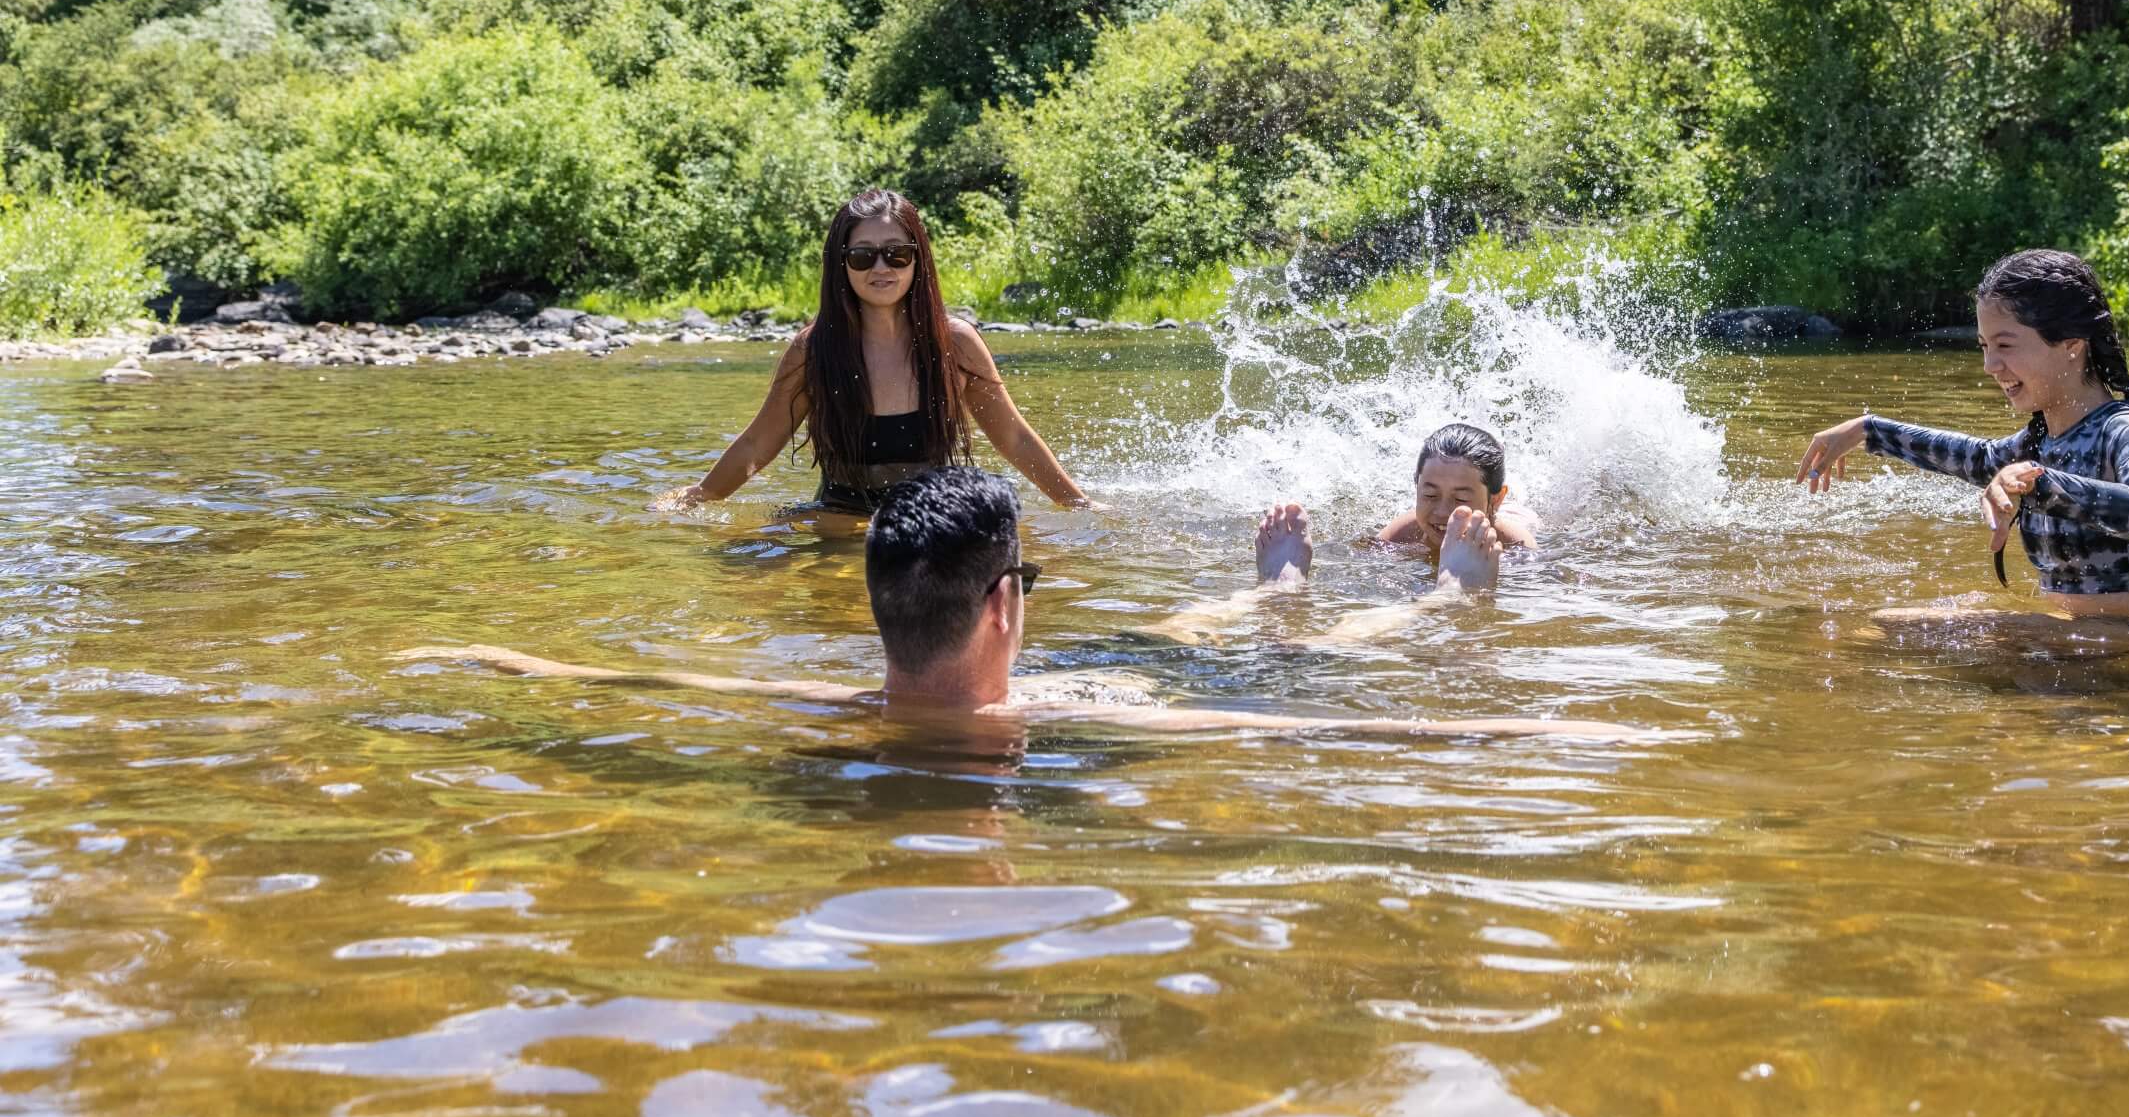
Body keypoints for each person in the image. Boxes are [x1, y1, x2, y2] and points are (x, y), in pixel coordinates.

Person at [405, 469, 1664, 743]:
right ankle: (1432, 596)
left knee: (1180, 633)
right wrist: (1561, 733)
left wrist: (487, 653)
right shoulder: (1094, 730)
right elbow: (1335, 735)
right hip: (1126, 689)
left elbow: (606, 679)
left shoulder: (822, 695)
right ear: (1004, 602)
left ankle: (1262, 588)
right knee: (1339, 635)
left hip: (1106, 667)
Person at [1795, 249, 2129, 628]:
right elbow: (1973, 458)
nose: (1989, 366)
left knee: (1884, 628)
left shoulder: (2122, 427)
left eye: (2004, 345)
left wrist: (2040, 482)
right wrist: (1869, 429)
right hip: (2075, 641)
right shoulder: (2040, 440)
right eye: (1985, 347)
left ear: (2071, 346)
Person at [656, 189, 1091, 532]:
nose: (881, 267)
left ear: (917, 260)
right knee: (749, 561)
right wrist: (699, 497)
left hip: (932, 517)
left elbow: (1014, 438)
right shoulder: (814, 350)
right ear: (841, 264)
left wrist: (1077, 504)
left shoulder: (955, 343)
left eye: (896, 254)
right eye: (863, 256)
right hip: (840, 516)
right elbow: (756, 445)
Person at [1155, 423, 1532, 645]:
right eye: (1429, 494)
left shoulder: (1514, 542)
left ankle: (1453, 593)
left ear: (1495, 500)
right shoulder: (1404, 534)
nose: (1441, 512)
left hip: (1518, 524)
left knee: (1467, 601)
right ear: (1415, 486)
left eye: (1462, 499)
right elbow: (1361, 574)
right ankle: (1277, 589)